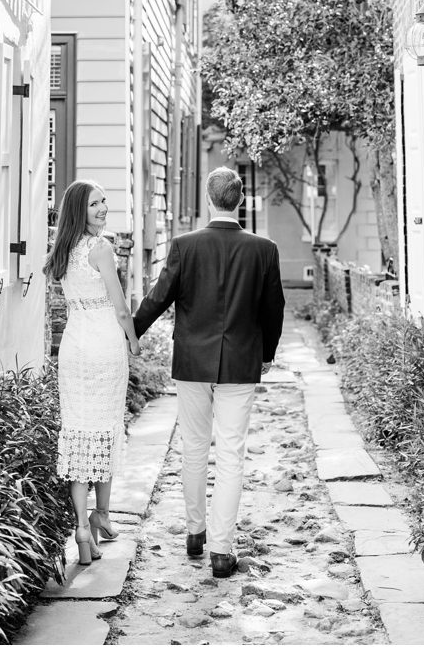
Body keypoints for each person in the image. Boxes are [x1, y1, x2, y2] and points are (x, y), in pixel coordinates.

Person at [133, 166, 286, 578]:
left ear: (208, 198)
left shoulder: (185, 245)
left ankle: (195, 534)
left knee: (194, 450)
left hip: (192, 364)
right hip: (240, 364)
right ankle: (221, 551)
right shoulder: (263, 249)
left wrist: (130, 332)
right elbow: (274, 310)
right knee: (232, 455)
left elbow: (158, 297)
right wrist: (266, 354)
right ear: (239, 201)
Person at [44, 180, 139, 566]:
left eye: (105, 201)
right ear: (80, 210)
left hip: (74, 346)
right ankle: (102, 514)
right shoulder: (101, 249)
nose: (103, 208)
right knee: (104, 430)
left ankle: (84, 528)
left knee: (79, 433)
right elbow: (119, 308)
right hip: (102, 345)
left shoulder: (64, 249)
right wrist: (134, 341)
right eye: (95, 204)